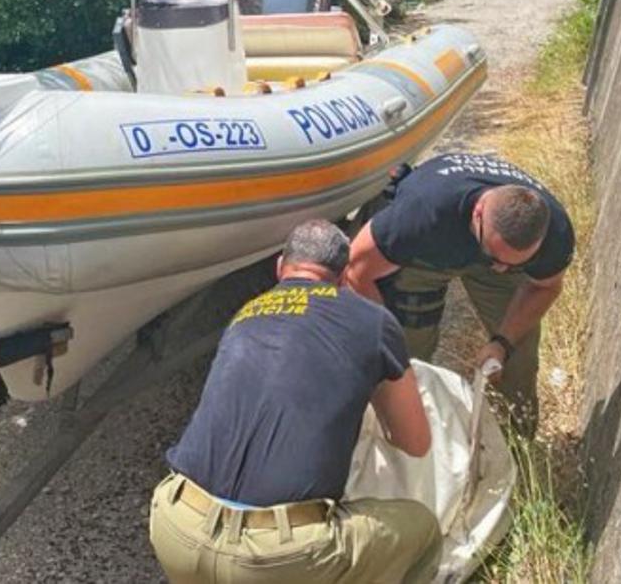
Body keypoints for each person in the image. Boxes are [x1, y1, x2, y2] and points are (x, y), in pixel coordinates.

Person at [149, 220, 441, 584]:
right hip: (277, 560)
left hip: (174, 527)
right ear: (343, 277)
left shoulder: (245, 314)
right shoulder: (374, 323)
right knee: (423, 528)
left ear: (279, 267)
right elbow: (415, 442)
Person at [345, 152, 575, 439]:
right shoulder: (422, 212)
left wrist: (503, 342)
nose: (501, 269)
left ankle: (516, 444)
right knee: (405, 356)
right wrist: (388, 338)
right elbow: (356, 270)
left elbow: (545, 287)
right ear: (478, 213)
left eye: (515, 264)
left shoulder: (555, 233)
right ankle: (405, 441)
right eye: (495, 257)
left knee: (518, 358)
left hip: (477, 244)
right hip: (427, 255)